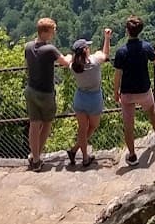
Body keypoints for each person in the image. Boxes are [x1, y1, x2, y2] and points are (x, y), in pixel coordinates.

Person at [111, 15, 155, 165]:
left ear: (126, 31)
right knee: (152, 110)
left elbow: (117, 75)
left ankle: (132, 154)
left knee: (128, 124)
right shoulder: (146, 47)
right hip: (143, 89)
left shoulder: (121, 52)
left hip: (127, 92)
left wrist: (116, 92)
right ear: (140, 30)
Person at [23, 18, 69, 170]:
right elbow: (65, 62)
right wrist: (69, 57)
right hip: (46, 92)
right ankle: (36, 155)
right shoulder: (50, 49)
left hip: (31, 89)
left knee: (34, 124)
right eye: (52, 31)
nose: (54, 33)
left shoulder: (28, 47)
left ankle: (35, 157)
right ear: (45, 32)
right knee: (47, 123)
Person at [65, 28, 111, 168]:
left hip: (80, 98)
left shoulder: (74, 66)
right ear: (85, 50)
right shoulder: (95, 61)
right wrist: (107, 38)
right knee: (93, 126)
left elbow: (67, 60)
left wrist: (68, 56)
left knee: (82, 128)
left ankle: (81, 155)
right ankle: (76, 151)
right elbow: (105, 54)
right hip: (94, 99)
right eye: (87, 46)